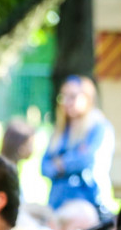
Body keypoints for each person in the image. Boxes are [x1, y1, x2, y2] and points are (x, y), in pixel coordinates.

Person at [41, 75, 115, 212]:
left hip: (88, 201)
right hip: (58, 203)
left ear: (87, 98)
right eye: (63, 97)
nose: (66, 102)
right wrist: (71, 159)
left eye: (72, 96)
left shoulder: (98, 127)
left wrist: (61, 163)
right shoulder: (60, 131)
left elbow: (88, 160)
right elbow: (44, 166)